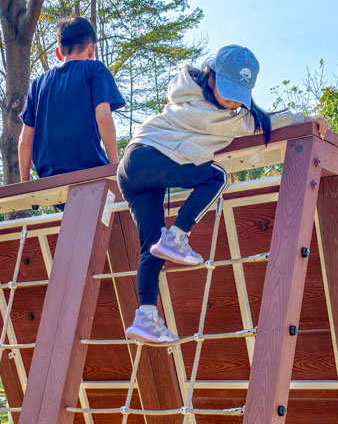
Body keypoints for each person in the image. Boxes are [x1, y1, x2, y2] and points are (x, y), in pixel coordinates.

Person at [117, 45, 300, 343]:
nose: (230, 103)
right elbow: (261, 123)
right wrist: (305, 118)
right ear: (210, 78)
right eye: (227, 93)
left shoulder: (186, 99)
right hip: (149, 158)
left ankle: (145, 316)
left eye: (237, 97)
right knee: (216, 176)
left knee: (153, 246)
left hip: (133, 168)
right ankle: (179, 234)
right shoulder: (210, 114)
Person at [18, 15, 124, 183]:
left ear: (59, 53)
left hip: (49, 179)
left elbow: (25, 141)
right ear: (91, 49)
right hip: (90, 172)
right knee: (129, 203)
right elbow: (103, 116)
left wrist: (25, 185)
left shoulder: (38, 84)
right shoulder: (94, 70)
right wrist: (115, 167)